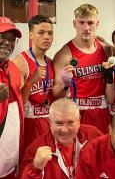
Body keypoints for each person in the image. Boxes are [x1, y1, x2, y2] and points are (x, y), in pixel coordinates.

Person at [53, 3, 112, 134]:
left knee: (100, 152)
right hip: (77, 113)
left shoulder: (107, 50)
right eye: (81, 22)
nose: (86, 28)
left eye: (90, 23)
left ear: (97, 24)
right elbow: (56, 95)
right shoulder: (64, 55)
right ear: (74, 24)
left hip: (101, 111)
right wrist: (65, 83)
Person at [19, 98, 103, 179]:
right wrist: (35, 169)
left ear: (79, 120)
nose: (65, 130)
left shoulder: (93, 135)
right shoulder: (36, 149)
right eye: (59, 123)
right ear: (50, 122)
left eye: (70, 123)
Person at [13, 15, 55, 149]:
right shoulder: (21, 62)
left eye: (50, 33)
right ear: (31, 35)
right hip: (29, 124)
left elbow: (54, 95)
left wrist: (65, 84)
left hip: (49, 123)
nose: (46, 37)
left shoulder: (51, 62)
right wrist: (31, 81)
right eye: (41, 33)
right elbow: (15, 101)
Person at [0, 16, 24, 178]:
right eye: (2, 37)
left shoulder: (13, 67)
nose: (7, 42)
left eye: (12, 39)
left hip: (10, 158)